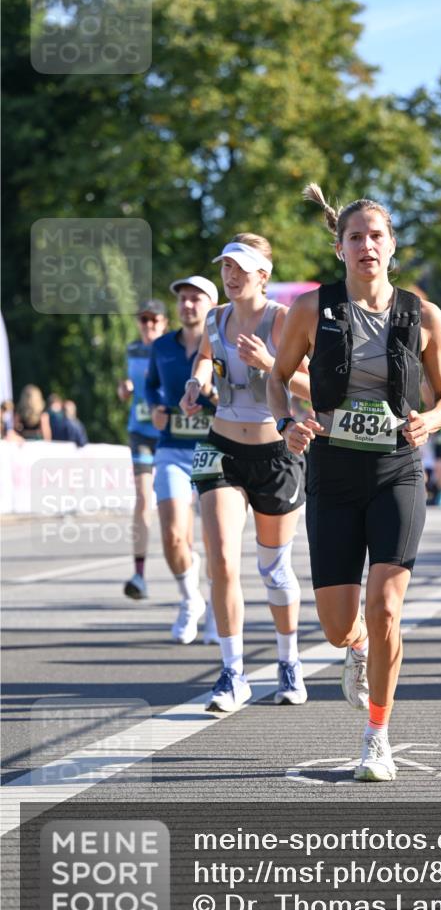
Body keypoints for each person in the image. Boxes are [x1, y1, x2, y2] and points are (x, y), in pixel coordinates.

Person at [268, 184, 441, 782]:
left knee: (387, 607)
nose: (366, 246)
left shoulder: (421, 315)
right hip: (332, 472)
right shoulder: (310, 309)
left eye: (377, 236)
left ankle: (377, 735)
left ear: (391, 246)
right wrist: (287, 423)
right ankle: (353, 650)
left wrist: (431, 417)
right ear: (340, 248)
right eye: (355, 237)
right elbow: (277, 378)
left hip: (397, 471)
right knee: (336, 625)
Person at [180, 234, 312, 713]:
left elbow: (315, 388)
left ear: (264, 274)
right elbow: (205, 359)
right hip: (220, 448)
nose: (230, 276)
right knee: (220, 560)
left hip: (276, 454)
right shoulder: (215, 319)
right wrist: (197, 383)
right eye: (225, 268)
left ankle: (288, 661)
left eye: (240, 268)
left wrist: (270, 363)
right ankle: (232, 673)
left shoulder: (286, 320)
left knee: (274, 570)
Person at [145, 276, 219, 644]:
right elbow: (150, 384)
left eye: (196, 299)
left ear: (212, 305)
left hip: (217, 448)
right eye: (183, 299)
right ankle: (191, 600)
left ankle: (219, 607)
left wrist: (217, 399)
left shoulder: (224, 343)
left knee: (216, 539)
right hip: (172, 446)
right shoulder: (162, 346)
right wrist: (156, 409)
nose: (188, 305)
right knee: (174, 535)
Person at [117, 299, 168, 599]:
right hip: (140, 433)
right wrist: (124, 390)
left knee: (172, 504)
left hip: (171, 433)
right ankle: (139, 574)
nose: (147, 325)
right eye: (142, 320)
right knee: (142, 498)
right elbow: (130, 387)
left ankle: (185, 556)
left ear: (164, 323)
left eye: (153, 320)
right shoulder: (133, 350)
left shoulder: (172, 348)